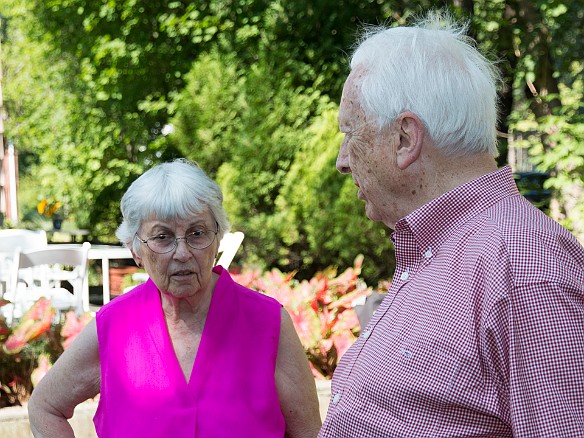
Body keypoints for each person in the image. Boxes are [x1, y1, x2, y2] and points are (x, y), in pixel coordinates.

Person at [319, 11, 584, 438]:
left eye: (352, 134)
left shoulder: (524, 262)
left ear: (405, 139)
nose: (342, 161)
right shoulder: (444, 249)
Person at [28, 159, 322, 437]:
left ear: (217, 238)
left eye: (196, 233)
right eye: (162, 237)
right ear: (135, 250)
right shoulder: (114, 327)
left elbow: (308, 433)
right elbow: (45, 407)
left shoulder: (267, 323)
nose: (182, 253)